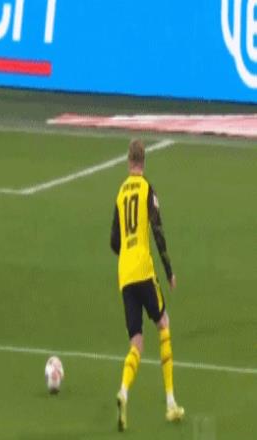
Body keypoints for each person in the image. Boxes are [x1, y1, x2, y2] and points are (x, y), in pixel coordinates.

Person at [110, 139, 184, 432]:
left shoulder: (120, 192)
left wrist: (126, 251)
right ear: (144, 161)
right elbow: (158, 231)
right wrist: (169, 271)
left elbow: (114, 241)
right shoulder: (146, 190)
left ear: (128, 161)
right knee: (163, 323)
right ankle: (170, 402)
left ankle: (123, 390)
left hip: (124, 274)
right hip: (143, 269)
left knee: (136, 342)